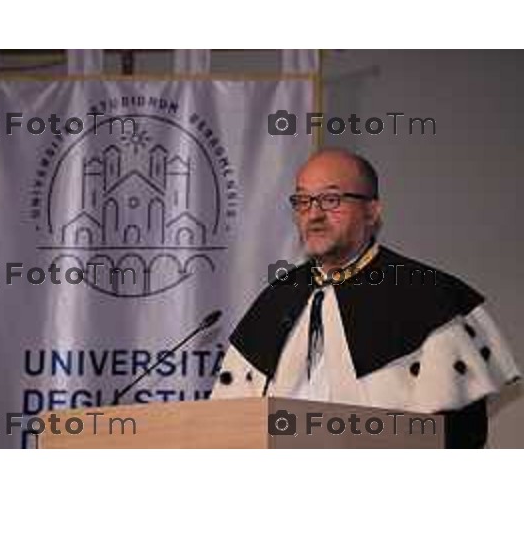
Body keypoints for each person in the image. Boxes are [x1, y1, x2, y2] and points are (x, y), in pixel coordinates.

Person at [211, 148, 520, 448]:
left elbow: (458, 437)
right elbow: (229, 427)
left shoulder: (429, 296)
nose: (313, 214)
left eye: (331, 199)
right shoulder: (276, 300)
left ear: (371, 211)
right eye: (303, 200)